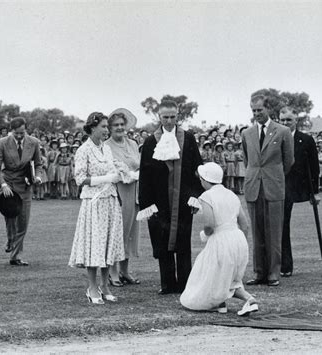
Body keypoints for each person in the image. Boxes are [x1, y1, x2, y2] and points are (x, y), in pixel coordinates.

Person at [139, 100, 203, 295]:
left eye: (172, 117)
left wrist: (195, 196)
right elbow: (145, 175)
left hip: (183, 199)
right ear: (159, 117)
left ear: (178, 116)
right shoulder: (151, 141)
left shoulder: (189, 138)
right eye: (165, 117)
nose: (168, 120)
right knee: (162, 239)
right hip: (160, 199)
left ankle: (185, 283)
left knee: (183, 242)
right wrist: (147, 205)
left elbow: (197, 169)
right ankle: (167, 284)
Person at [180, 163, 258, 316]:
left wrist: (205, 234)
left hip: (222, 240)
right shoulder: (231, 194)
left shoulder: (206, 196)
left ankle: (218, 302)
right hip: (238, 239)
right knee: (227, 276)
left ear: (204, 180)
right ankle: (239, 300)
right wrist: (241, 243)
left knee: (211, 272)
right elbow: (245, 225)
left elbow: (209, 225)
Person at [68, 112, 124, 305]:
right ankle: (92, 287)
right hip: (94, 203)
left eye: (107, 127)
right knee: (95, 244)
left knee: (109, 243)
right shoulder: (83, 150)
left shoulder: (106, 149)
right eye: (103, 127)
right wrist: (107, 179)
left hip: (110, 200)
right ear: (92, 128)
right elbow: (80, 179)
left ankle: (105, 285)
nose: (107, 130)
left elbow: (112, 171)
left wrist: (121, 173)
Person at [241, 94, 294, 287]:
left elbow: (288, 161)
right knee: (257, 232)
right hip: (253, 186)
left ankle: (273, 273)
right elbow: (248, 161)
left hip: (274, 186)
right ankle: (259, 272)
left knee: (274, 231)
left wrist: (274, 175)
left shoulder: (283, 131)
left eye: (260, 110)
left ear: (268, 109)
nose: (256, 114)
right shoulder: (246, 133)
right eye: (253, 110)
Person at [0, 117, 43, 266]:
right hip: (9, 186)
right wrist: (2, 184)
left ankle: (15, 256)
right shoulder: (2, 143)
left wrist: (38, 177)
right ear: (11, 131)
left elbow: (38, 164)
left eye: (22, 132)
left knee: (23, 222)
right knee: (10, 219)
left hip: (25, 185)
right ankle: (10, 239)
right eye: (16, 133)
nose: (20, 136)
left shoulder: (34, 142)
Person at [279, 106, 320, 277]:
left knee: (283, 223)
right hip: (280, 187)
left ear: (296, 120)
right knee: (282, 224)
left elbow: (314, 167)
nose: (286, 123)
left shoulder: (306, 140)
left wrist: (314, 192)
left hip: (298, 187)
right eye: (282, 120)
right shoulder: (276, 137)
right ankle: (285, 265)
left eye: (289, 119)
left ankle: (284, 265)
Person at [105, 108, 141, 287]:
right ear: (110, 128)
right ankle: (112, 272)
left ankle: (125, 270)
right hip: (117, 192)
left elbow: (139, 164)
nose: (120, 128)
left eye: (122, 124)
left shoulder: (133, 144)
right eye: (116, 125)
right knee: (116, 232)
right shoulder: (106, 147)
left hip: (133, 191)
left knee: (130, 232)